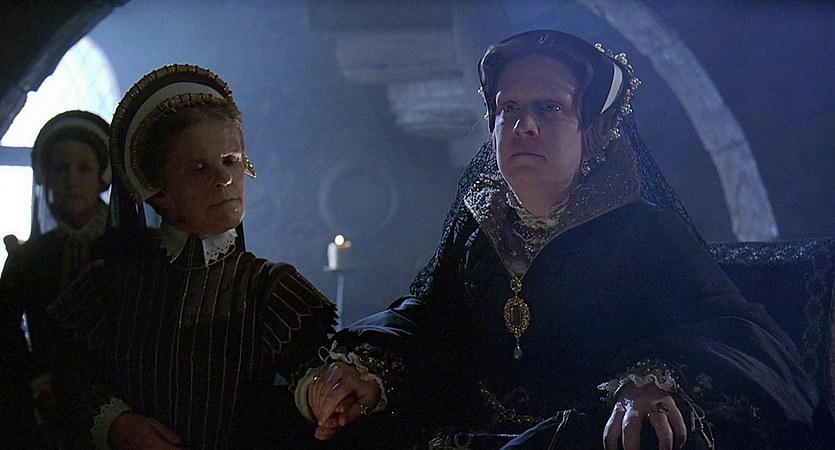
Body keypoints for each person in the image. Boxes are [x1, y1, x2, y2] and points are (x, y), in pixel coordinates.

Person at [295, 30, 828, 449]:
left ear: (592, 132)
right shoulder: (476, 228)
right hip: (469, 423)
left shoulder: (644, 232)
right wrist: (370, 370)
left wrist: (652, 379)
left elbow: (735, 333)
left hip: (585, 432)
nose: (523, 125)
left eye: (549, 108)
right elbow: (432, 320)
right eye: (508, 109)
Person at [48, 64, 337, 449]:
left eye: (231, 160)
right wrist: (116, 423)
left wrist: (323, 392)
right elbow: (71, 376)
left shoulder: (269, 287)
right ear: (157, 192)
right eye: (199, 168)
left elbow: (312, 369)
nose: (224, 179)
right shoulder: (110, 285)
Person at [0, 110, 111, 444]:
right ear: (45, 177)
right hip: (44, 414)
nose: (71, 180)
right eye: (60, 168)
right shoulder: (26, 258)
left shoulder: (132, 250)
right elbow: (5, 333)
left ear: (102, 177)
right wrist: (36, 381)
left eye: (83, 168)